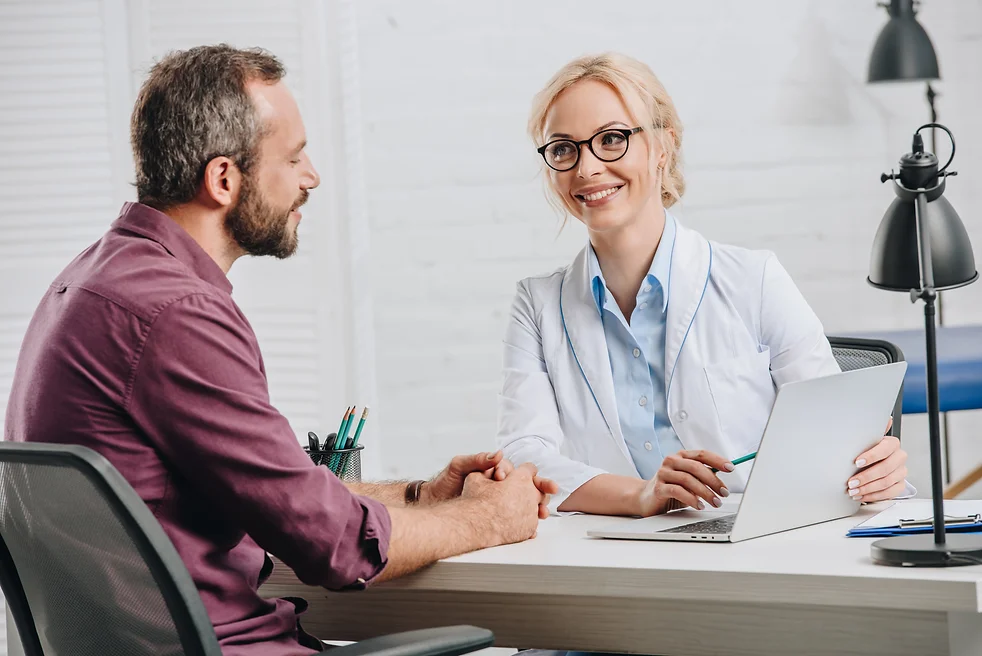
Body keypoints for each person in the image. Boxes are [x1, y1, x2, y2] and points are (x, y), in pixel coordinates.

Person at [4, 45, 555, 655]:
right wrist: (490, 519)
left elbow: (276, 493)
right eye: (293, 158)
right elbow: (334, 547)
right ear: (223, 179)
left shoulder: (89, 282)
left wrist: (422, 496)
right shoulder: (178, 314)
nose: (311, 176)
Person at [497, 52, 910, 518]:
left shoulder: (754, 280)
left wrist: (876, 468)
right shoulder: (537, 305)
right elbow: (522, 457)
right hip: (616, 554)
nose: (587, 167)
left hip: (760, 543)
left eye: (611, 139)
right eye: (563, 148)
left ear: (662, 146)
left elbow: (836, 438)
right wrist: (640, 496)